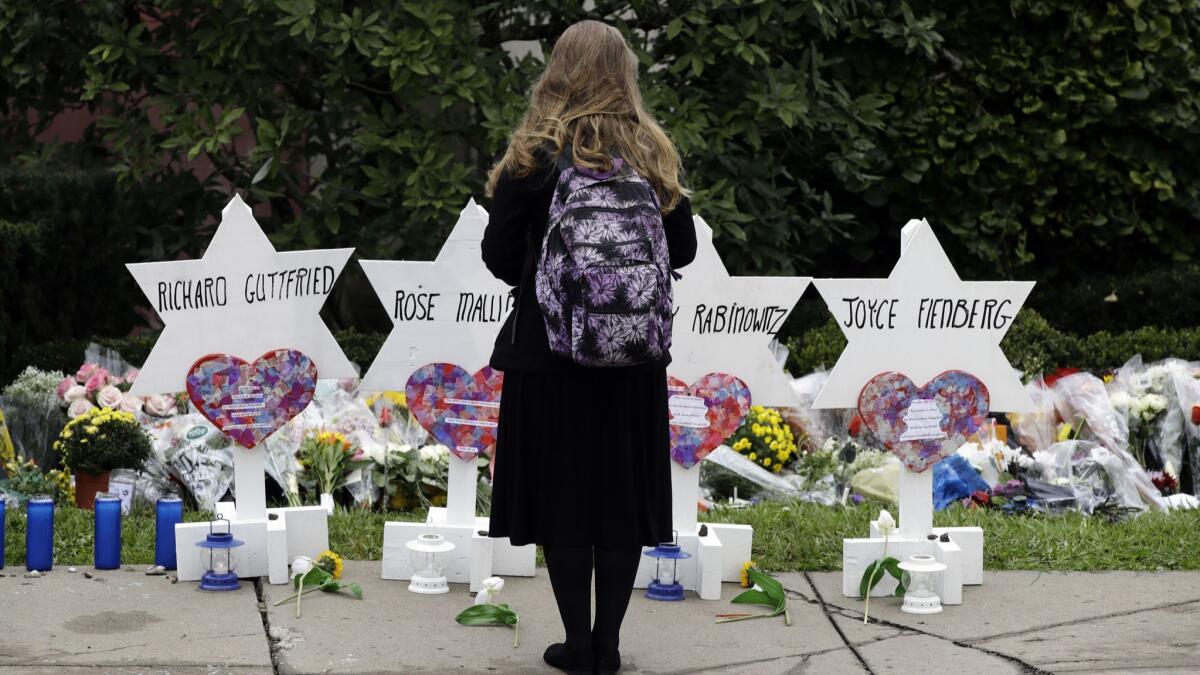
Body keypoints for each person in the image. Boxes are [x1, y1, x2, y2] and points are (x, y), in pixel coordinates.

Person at [481, 19, 697, 675]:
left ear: (557, 73)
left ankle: (576, 645)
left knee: (566, 501)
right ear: (624, 75)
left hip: (551, 359)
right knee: (621, 502)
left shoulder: (536, 155)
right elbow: (683, 248)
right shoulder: (651, 151)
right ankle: (608, 644)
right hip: (632, 363)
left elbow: (496, 255)